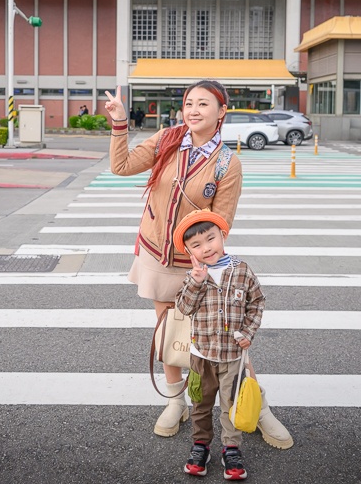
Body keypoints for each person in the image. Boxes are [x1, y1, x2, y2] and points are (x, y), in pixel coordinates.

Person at [104, 80, 292, 449]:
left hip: (200, 266)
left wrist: (200, 265)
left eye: (203, 104)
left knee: (224, 340)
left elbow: (221, 223)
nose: (193, 110)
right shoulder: (166, 140)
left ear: (221, 111)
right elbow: (120, 166)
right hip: (157, 255)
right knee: (168, 336)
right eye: (189, 102)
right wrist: (120, 123)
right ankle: (176, 403)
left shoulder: (227, 163)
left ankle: (258, 406)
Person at [175, 209, 264, 480]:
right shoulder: (194, 276)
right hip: (200, 354)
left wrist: (249, 330)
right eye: (197, 245)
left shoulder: (242, 270)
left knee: (230, 403)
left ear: (222, 236)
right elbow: (184, 307)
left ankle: (231, 447)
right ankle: (200, 445)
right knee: (200, 403)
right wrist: (196, 281)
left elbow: (257, 301)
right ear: (190, 251)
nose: (206, 248)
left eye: (210, 239)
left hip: (232, 356)